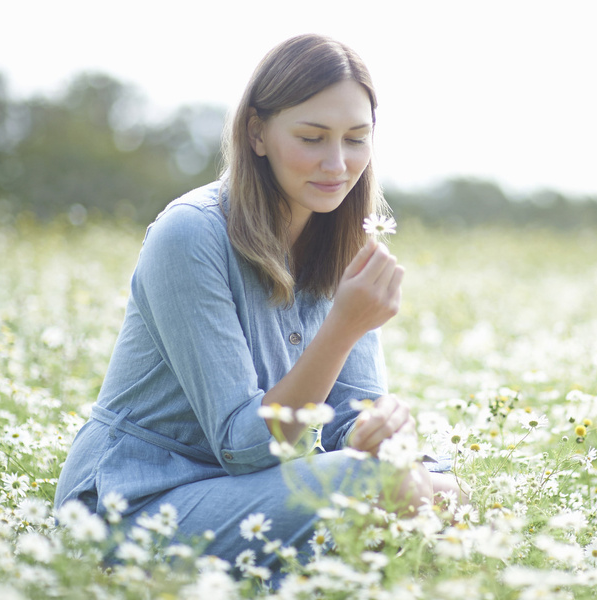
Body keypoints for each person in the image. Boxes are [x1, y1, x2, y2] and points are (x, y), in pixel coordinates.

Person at [53, 34, 460, 571]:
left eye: (356, 139)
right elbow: (243, 447)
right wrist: (342, 327)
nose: (337, 164)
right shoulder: (189, 236)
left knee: (450, 490)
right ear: (257, 132)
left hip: (252, 494)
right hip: (137, 503)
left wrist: (385, 427)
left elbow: (346, 423)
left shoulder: (343, 246)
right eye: (312, 138)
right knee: (388, 488)